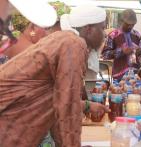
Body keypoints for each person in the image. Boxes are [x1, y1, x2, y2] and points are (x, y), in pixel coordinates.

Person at [0, 5, 106, 147]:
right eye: (102, 28)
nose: (104, 35)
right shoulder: (74, 43)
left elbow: (60, 101)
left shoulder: (63, 40)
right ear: (89, 28)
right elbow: (67, 107)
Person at [102, 9, 141, 80]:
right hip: (119, 75)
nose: (130, 27)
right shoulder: (113, 35)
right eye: (128, 24)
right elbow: (105, 55)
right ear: (122, 21)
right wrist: (121, 51)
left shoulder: (137, 35)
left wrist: (140, 51)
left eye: (132, 25)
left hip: (136, 74)